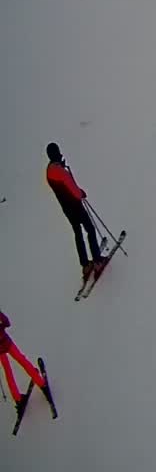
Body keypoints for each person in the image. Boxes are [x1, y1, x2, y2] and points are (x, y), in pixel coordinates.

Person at [45, 143, 104, 280]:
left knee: (78, 233)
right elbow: (72, 188)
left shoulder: (49, 170)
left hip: (66, 208)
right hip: (75, 205)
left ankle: (85, 265)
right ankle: (97, 261)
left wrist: (61, 166)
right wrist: (81, 193)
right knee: (90, 229)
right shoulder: (59, 171)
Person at [0, 311, 49, 408]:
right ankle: (42, 384)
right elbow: (7, 322)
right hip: (7, 344)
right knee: (23, 361)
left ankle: (18, 399)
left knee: (8, 373)